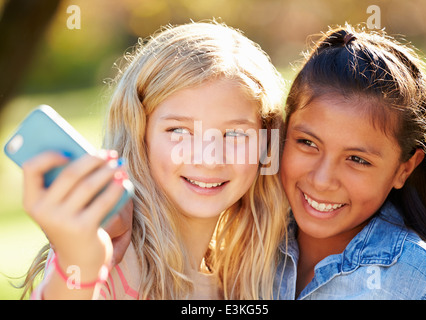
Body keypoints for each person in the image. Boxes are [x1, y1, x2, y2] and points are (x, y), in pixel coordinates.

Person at [22, 21, 288, 299]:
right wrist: (78, 262)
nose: (209, 158)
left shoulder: (244, 281)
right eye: (179, 131)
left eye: (234, 133)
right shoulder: (108, 258)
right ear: (140, 135)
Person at [275, 24, 426, 299]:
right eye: (308, 143)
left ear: (405, 169)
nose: (322, 180)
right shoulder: (242, 244)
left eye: (357, 159)